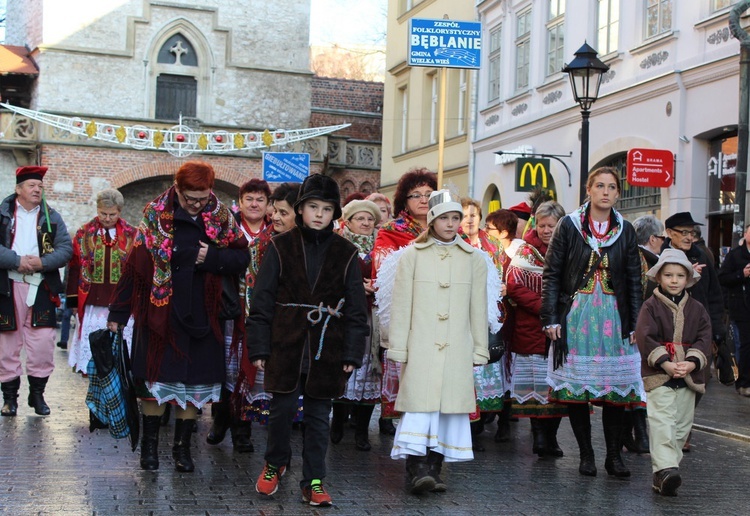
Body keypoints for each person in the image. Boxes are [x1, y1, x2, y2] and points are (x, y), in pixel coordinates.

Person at [107, 161, 250, 472]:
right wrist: (118, 311)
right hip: (160, 313)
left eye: (202, 198)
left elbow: (242, 256)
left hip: (204, 314)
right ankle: (149, 449)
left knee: (194, 384)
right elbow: (135, 264)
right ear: (177, 188)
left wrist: (211, 257)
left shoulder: (221, 216)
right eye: (189, 198)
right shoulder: (156, 213)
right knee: (156, 380)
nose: (196, 205)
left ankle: (183, 450)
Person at [247, 174, 369, 507]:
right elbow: (262, 300)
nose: (319, 214)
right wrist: (258, 346)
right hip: (285, 340)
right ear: (300, 209)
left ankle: (314, 479)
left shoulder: (346, 252)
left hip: (327, 344)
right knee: (281, 410)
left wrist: (352, 352)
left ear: (334, 214)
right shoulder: (280, 246)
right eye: (312, 206)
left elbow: (357, 309)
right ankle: (274, 464)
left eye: (326, 209)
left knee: (318, 417)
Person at [542, 167, 644, 478]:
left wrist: (636, 322)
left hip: (615, 314)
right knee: (578, 389)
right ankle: (586, 455)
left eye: (611, 187)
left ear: (617, 193)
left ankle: (613, 455)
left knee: (615, 390)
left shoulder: (625, 229)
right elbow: (553, 274)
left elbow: (633, 278)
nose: (605, 191)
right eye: (599, 185)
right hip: (577, 312)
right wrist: (550, 318)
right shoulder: (569, 225)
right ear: (589, 189)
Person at [387, 190, 490, 494]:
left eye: (455, 217)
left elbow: (478, 307)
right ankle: (417, 467)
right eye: (444, 217)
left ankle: (435, 466)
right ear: (431, 221)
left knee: (448, 410)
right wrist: (399, 346)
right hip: (421, 345)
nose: (450, 223)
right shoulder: (412, 255)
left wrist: (479, 347)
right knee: (420, 407)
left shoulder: (474, 259)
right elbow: (401, 304)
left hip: (456, 344)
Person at [635, 249, 711, 496]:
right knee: (662, 423)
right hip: (660, 376)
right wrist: (665, 363)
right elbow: (646, 338)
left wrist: (691, 362)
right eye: (669, 275)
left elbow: (704, 338)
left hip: (688, 377)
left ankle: (663, 474)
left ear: (688, 279)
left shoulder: (697, 309)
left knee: (680, 427)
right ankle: (666, 469)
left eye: (680, 275)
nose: (674, 280)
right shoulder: (651, 306)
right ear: (659, 278)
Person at [0, 166, 72, 417]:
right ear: (18, 189)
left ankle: (37, 394)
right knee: (7, 343)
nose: (37, 190)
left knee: (42, 343)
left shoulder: (52, 217)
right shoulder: (2, 215)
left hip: (41, 286)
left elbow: (65, 249)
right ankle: (9, 398)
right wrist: (15, 259)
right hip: (7, 286)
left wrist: (43, 263)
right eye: (31, 185)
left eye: (40, 186)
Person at [207, 178, 272, 453]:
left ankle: (243, 431)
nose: (254, 204)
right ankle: (222, 419)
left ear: (268, 204)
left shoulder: (276, 232)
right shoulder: (226, 230)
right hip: (230, 310)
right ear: (240, 202)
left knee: (252, 372)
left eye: (260, 200)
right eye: (249, 199)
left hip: (262, 313)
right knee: (227, 370)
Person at [373, 167, 437, 435]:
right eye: (416, 195)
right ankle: (404, 424)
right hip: (408, 311)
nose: (423, 200)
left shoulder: (447, 225)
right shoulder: (392, 230)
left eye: (429, 194)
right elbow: (383, 268)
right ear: (404, 201)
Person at [66, 188, 137, 429]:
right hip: (93, 304)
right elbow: (74, 267)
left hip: (121, 305)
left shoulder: (131, 234)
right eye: (102, 213)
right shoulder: (84, 233)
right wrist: (73, 302)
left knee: (118, 358)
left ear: (120, 211)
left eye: (112, 214)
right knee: (97, 357)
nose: (107, 218)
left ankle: (119, 407)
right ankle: (96, 409)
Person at [505, 200, 569, 457]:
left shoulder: (569, 249)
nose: (546, 230)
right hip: (531, 328)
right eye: (542, 225)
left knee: (558, 388)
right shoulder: (525, 252)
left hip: (562, 329)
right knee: (536, 388)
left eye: (551, 226)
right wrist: (545, 306)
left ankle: (552, 437)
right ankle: (539, 438)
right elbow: (514, 286)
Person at [661, 211, 725, 451]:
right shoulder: (659, 257)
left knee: (698, 380)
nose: (689, 237)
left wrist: (717, 330)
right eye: (684, 232)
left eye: (692, 232)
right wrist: (685, 276)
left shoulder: (703, 256)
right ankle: (669, 430)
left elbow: (715, 296)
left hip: (698, 331)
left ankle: (683, 429)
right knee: (668, 382)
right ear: (670, 233)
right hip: (667, 331)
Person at [330, 199, 381, 451]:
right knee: (345, 367)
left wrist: (379, 286)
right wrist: (355, 286)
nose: (365, 223)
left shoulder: (382, 248)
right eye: (360, 218)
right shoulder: (339, 246)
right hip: (346, 315)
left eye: (370, 219)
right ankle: (338, 423)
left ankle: (362, 431)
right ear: (347, 222)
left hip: (373, 315)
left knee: (370, 371)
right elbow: (330, 278)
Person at [459, 197, 505, 452]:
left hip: (485, 315)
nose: (469, 220)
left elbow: (501, 273)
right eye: (464, 215)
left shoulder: (492, 245)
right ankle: (463, 426)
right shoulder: (455, 242)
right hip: (459, 315)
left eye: (473, 215)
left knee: (482, 369)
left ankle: (477, 428)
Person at [483, 208, 522, 442]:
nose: (486, 232)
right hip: (494, 319)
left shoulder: (518, 253)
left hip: (511, 321)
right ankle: (488, 414)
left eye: (490, 228)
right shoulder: (488, 250)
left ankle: (505, 420)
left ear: (504, 232)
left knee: (508, 371)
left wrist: (510, 288)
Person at [719, 224, 750, 396]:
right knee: (745, 345)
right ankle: (743, 382)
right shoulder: (735, 255)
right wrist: (741, 274)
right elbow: (722, 277)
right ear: (745, 234)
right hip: (742, 307)